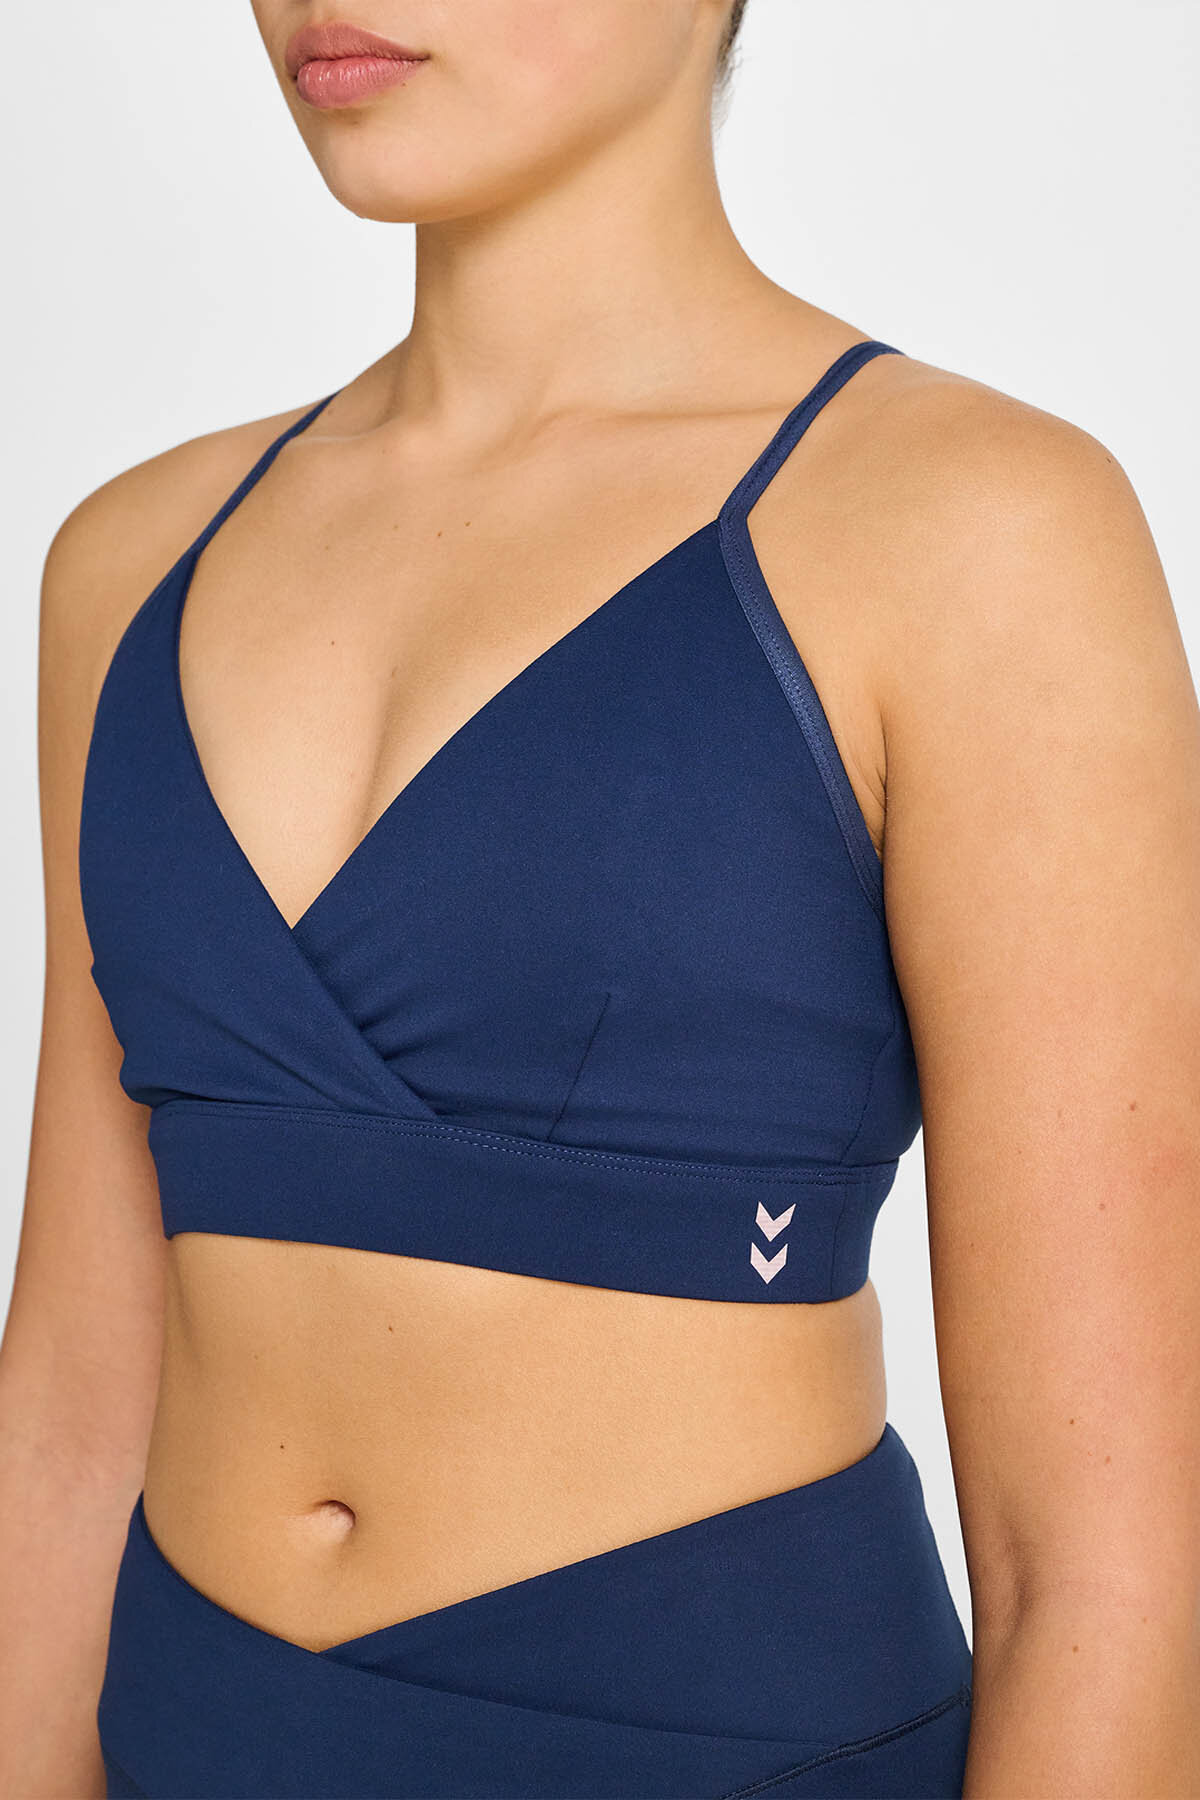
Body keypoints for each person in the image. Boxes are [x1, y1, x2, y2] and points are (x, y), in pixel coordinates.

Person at [4, 2, 1200, 1795]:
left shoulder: (972, 529)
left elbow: (1098, 1570)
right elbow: (70, 1411)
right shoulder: (128, 562)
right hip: (196, 1737)